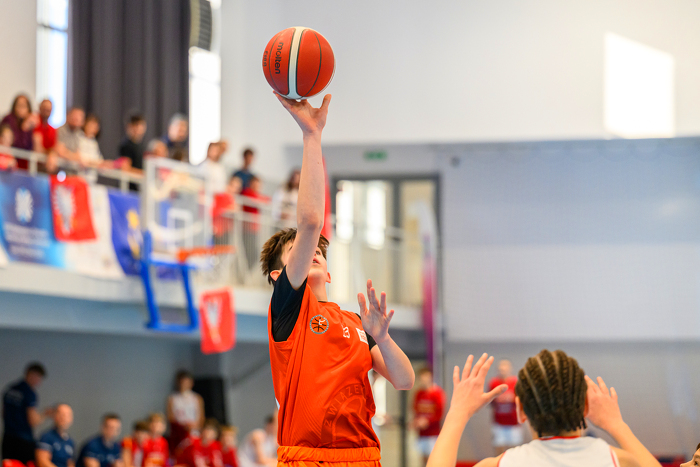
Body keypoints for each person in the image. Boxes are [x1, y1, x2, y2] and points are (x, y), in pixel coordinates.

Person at [260, 93, 414, 467]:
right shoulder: (289, 310)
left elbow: (404, 380)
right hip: (308, 457)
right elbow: (311, 221)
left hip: (363, 457)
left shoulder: (357, 324)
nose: (312, 250)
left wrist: (383, 338)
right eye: (300, 250)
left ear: (328, 271)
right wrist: (312, 135)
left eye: (318, 250)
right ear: (280, 276)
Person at [426, 351, 663, 467]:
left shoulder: (497, 465)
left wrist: (457, 414)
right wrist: (617, 425)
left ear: (520, 410)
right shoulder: (620, 461)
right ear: (585, 407)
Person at [2, 362, 50, 463]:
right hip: (23, 440)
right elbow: (33, 420)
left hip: (7, 438)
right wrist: (45, 414)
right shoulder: (29, 393)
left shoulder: (10, 389)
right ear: (32, 374)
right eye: (38, 378)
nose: (39, 382)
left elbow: (3, 413)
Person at [412, 367, 446, 466]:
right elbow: (416, 410)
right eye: (421, 377)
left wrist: (427, 421)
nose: (423, 380)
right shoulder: (419, 394)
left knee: (433, 460)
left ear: (431, 377)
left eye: (426, 377)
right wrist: (416, 422)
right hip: (422, 433)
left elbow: (439, 413)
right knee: (423, 459)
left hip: (433, 433)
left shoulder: (437, 393)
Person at [488, 359, 521, 455]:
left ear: (510, 369)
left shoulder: (516, 382)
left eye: (505, 368)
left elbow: (522, 400)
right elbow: (490, 402)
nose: (503, 370)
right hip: (499, 422)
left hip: (514, 422)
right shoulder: (493, 383)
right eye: (501, 369)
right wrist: (497, 399)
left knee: (515, 450)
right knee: (498, 448)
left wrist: (512, 398)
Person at [167, 370, 204, 452]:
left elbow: (201, 418)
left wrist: (194, 426)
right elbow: (170, 417)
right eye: (183, 382)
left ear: (191, 383)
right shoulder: (172, 398)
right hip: (179, 434)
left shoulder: (197, 398)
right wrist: (183, 426)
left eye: (187, 382)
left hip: (194, 433)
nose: (185, 384)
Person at [78, 114, 105, 183]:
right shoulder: (78, 138)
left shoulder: (94, 143)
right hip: (79, 176)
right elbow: (82, 159)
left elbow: (99, 161)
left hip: (91, 179)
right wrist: (94, 163)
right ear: (85, 125)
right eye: (90, 126)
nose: (92, 129)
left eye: (95, 127)